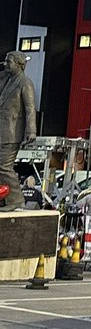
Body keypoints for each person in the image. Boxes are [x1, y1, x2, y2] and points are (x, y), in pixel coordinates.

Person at [0, 51, 36, 212]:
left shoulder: (25, 83)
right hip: (2, 130)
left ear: (20, 65)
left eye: (9, 62)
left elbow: (30, 108)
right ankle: (4, 198)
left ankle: (16, 199)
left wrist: (31, 130)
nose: (5, 64)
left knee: (4, 167)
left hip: (12, 132)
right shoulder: (5, 79)